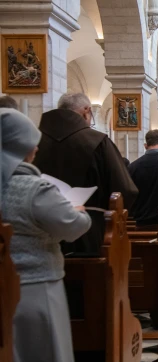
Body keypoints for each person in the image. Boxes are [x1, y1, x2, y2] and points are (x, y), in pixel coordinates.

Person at [1, 108, 92, 362]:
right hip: (35, 286)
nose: (37, 147)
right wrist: (78, 211)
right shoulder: (35, 188)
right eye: (32, 141)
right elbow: (74, 226)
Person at [34, 93, 138, 256]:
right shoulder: (97, 141)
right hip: (88, 232)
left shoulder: (34, 141)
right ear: (86, 111)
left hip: (41, 231)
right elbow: (124, 189)